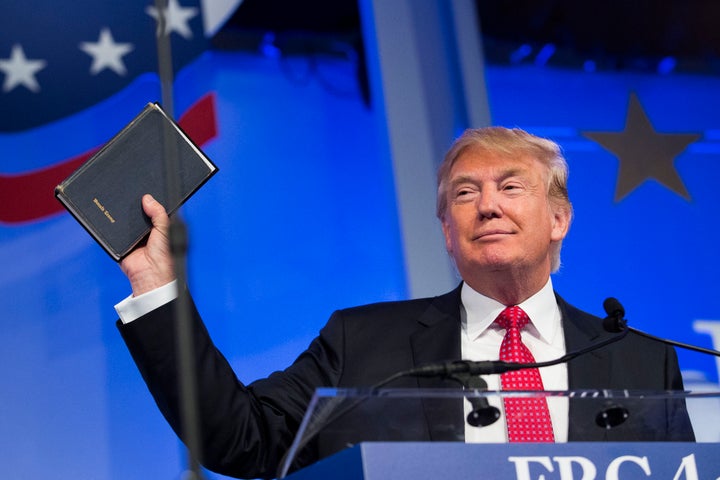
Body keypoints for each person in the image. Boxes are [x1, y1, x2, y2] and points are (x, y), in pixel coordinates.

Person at [115, 127, 694, 479]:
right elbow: (243, 439)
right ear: (447, 231)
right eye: (465, 193)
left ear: (560, 219)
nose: (487, 206)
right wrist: (157, 286)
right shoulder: (361, 343)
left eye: (511, 187)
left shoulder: (640, 361)